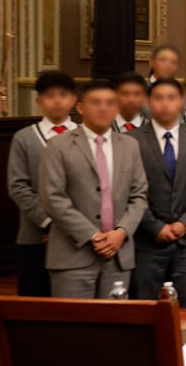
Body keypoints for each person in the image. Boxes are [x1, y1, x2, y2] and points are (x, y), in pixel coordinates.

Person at [39, 79, 148, 298]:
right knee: (73, 327)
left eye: (110, 102)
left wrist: (121, 232)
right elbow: (52, 197)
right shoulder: (58, 145)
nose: (103, 108)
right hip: (73, 254)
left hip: (118, 255)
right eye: (96, 102)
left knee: (115, 327)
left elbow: (139, 195)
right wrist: (92, 235)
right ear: (80, 107)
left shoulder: (129, 145)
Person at [128, 78, 186, 308]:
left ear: (181, 101)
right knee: (145, 308)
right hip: (147, 240)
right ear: (148, 102)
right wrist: (156, 227)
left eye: (171, 98)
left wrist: (184, 223)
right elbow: (128, 190)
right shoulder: (131, 141)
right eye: (158, 98)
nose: (165, 103)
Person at [8, 71, 78, 297]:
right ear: (38, 101)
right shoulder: (24, 137)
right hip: (36, 234)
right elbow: (18, 186)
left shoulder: (85, 135)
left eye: (63, 95)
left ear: (74, 100)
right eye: (49, 95)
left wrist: (72, 225)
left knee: (73, 298)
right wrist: (49, 222)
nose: (57, 100)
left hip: (79, 234)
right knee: (35, 297)